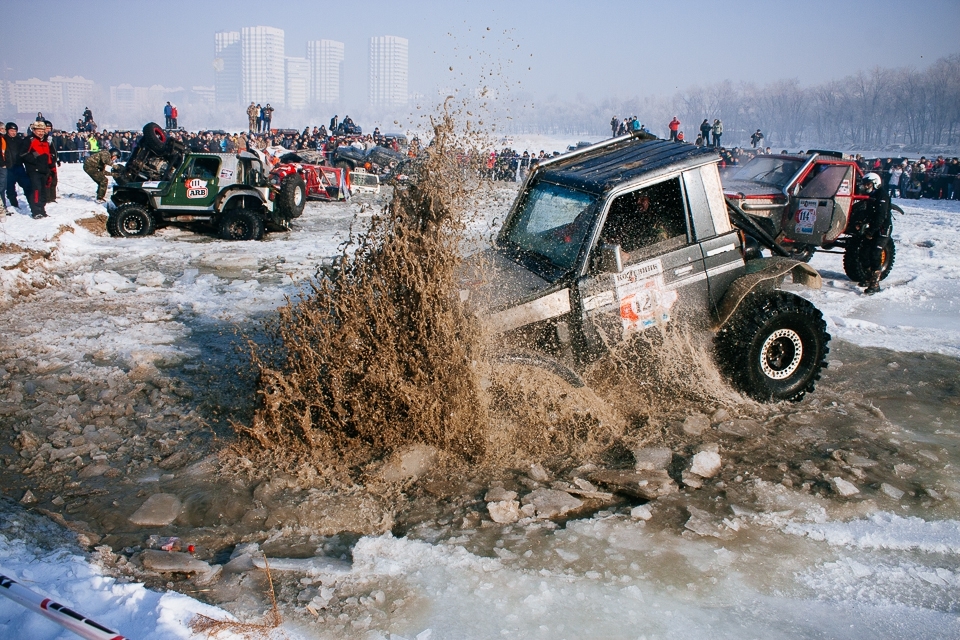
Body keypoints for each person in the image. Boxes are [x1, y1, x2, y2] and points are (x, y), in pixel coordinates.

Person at [857, 172, 891, 294]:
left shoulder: (882, 196)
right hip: (873, 227)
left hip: (882, 228)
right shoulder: (871, 196)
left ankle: (875, 283)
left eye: (868, 184)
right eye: (865, 184)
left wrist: (871, 231)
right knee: (864, 252)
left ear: (875, 183)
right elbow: (868, 212)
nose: (866, 187)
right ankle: (868, 277)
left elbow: (880, 216)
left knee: (876, 253)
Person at [21, 121, 55, 219]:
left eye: (42, 130)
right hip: (34, 170)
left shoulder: (46, 141)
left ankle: (42, 209)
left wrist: (51, 165)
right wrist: (35, 159)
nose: (40, 133)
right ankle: (36, 211)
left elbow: (50, 154)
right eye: (38, 130)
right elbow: (23, 154)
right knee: (36, 190)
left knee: (44, 190)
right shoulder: (29, 140)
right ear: (34, 130)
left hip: (44, 170)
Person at [4, 122, 31, 213]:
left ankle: (31, 203)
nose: (13, 133)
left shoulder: (19, 140)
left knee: (27, 185)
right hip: (8, 167)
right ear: (7, 131)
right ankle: (14, 204)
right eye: (11, 131)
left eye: (15, 131)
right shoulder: (4, 140)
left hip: (19, 166)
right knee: (10, 188)